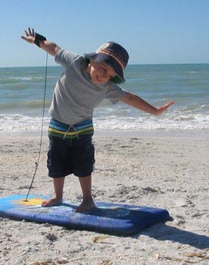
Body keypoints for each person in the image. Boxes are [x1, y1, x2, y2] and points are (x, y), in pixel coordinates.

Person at [21, 28, 174, 212]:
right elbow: (54, 48)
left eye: (109, 74)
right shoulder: (74, 62)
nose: (103, 75)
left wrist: (155, 111)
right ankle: (58, 196)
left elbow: (130, 98)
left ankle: (87, 200)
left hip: (83, 128)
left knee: (84, 164)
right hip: (57, 124)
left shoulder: (107, 87)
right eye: (102, 68)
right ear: (93, 59)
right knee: (56, 163)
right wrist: (37, 40)